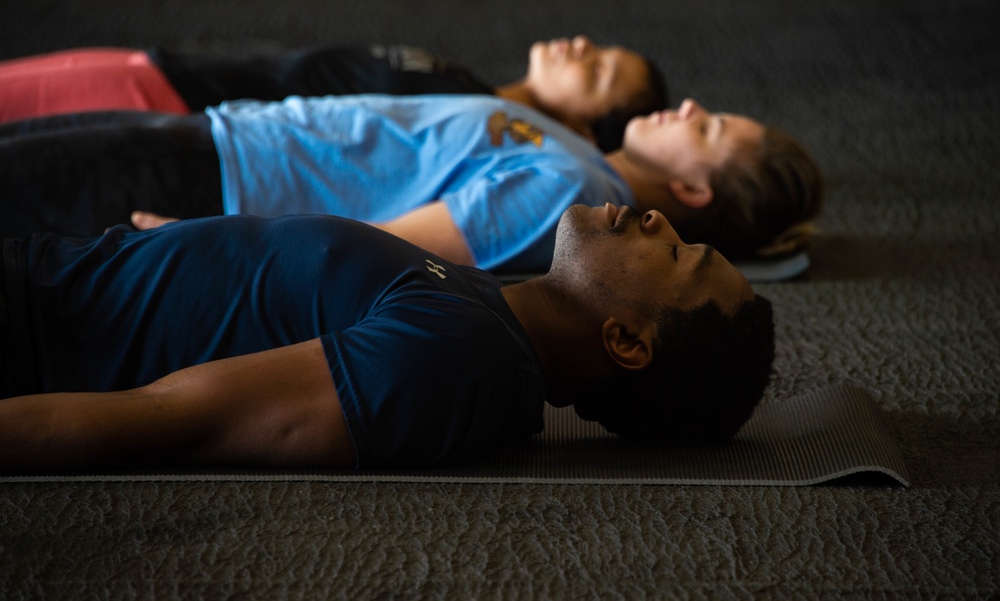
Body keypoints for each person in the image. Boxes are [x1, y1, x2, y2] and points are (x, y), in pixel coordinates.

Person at [0, 203, 775, 472]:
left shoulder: (456, 360)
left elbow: (179, 416)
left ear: (627, 343)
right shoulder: (487, 310)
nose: (654, 220)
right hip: (47, 273)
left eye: (675, 252)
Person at [0, 95, 823, 274]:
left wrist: (197, 245)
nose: (687, 107)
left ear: (694, 192)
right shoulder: (582, 153)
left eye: (707, 128)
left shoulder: (563, 190)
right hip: (212, 138)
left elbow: (380, 248)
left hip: (206, 180)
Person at [0, 36, 668, 152]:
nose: (583, 46)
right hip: (163, 71)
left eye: (602, 71)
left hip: (165, 105)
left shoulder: (468, 117)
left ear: (584, 130)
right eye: (603, 48)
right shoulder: (465, 84)